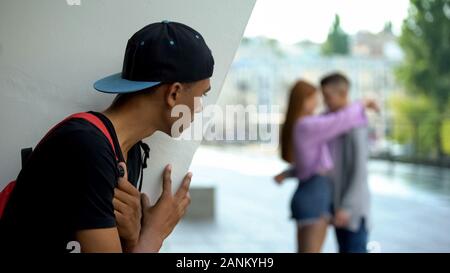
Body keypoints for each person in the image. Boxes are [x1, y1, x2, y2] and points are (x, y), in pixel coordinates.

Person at [0, 21, 214, 252]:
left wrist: (132, 239)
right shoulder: (87, 147)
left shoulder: (127, 154)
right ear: (174, 93)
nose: (200, 108)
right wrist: (154, 233)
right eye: (201, 95)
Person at [276, 80, 377, 253]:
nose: (320, 102)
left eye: (325, 97)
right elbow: (342, 119)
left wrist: (287, 173)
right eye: (316, 98)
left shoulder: (303, 125)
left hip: (311, 196)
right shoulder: (310, 125)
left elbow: (310, 166)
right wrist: (364, 102)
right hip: (316, 197)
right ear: (305, 101)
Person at [321, 73, 371, 253]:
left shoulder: (355, 124)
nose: (325, 102)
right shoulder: (333, 121)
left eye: (328, 97)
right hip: (338, 206)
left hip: (352, 211)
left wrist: (347, 207)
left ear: (343, 93)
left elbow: (360, 170)